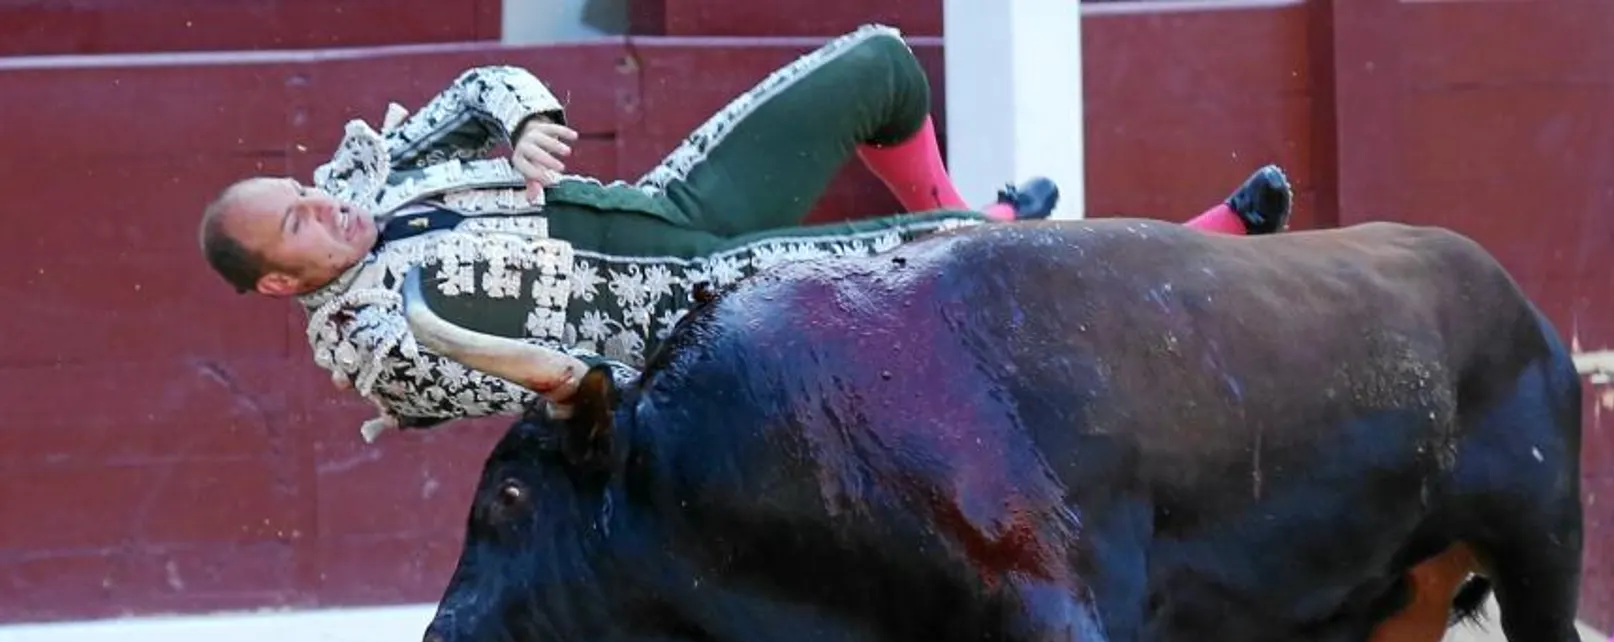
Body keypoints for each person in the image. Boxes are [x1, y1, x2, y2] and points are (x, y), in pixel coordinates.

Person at [198, 24, 1296, 441]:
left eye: (301, 189)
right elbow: (534, 382)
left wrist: (528, 119)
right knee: (963, 275)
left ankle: (964, 222)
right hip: (709, 319)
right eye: (298, 221)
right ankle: (1185, 242)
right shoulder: (367, 339)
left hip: (675, 211)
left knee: (877, 65)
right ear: (280, 287)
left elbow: (486, 82)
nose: (323, 201)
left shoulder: (374, 174)